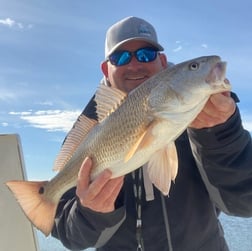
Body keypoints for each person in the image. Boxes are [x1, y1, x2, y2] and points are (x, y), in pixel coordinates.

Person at [51, 16, 252, 251]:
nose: (135, 64)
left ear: (163, 61)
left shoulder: (209, 113)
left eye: (146, 54)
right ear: (107, 69)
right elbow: (68, 235)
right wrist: (90, 215)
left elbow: (245, 203)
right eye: (121, 57)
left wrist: (222, 134)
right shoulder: (88, 133)